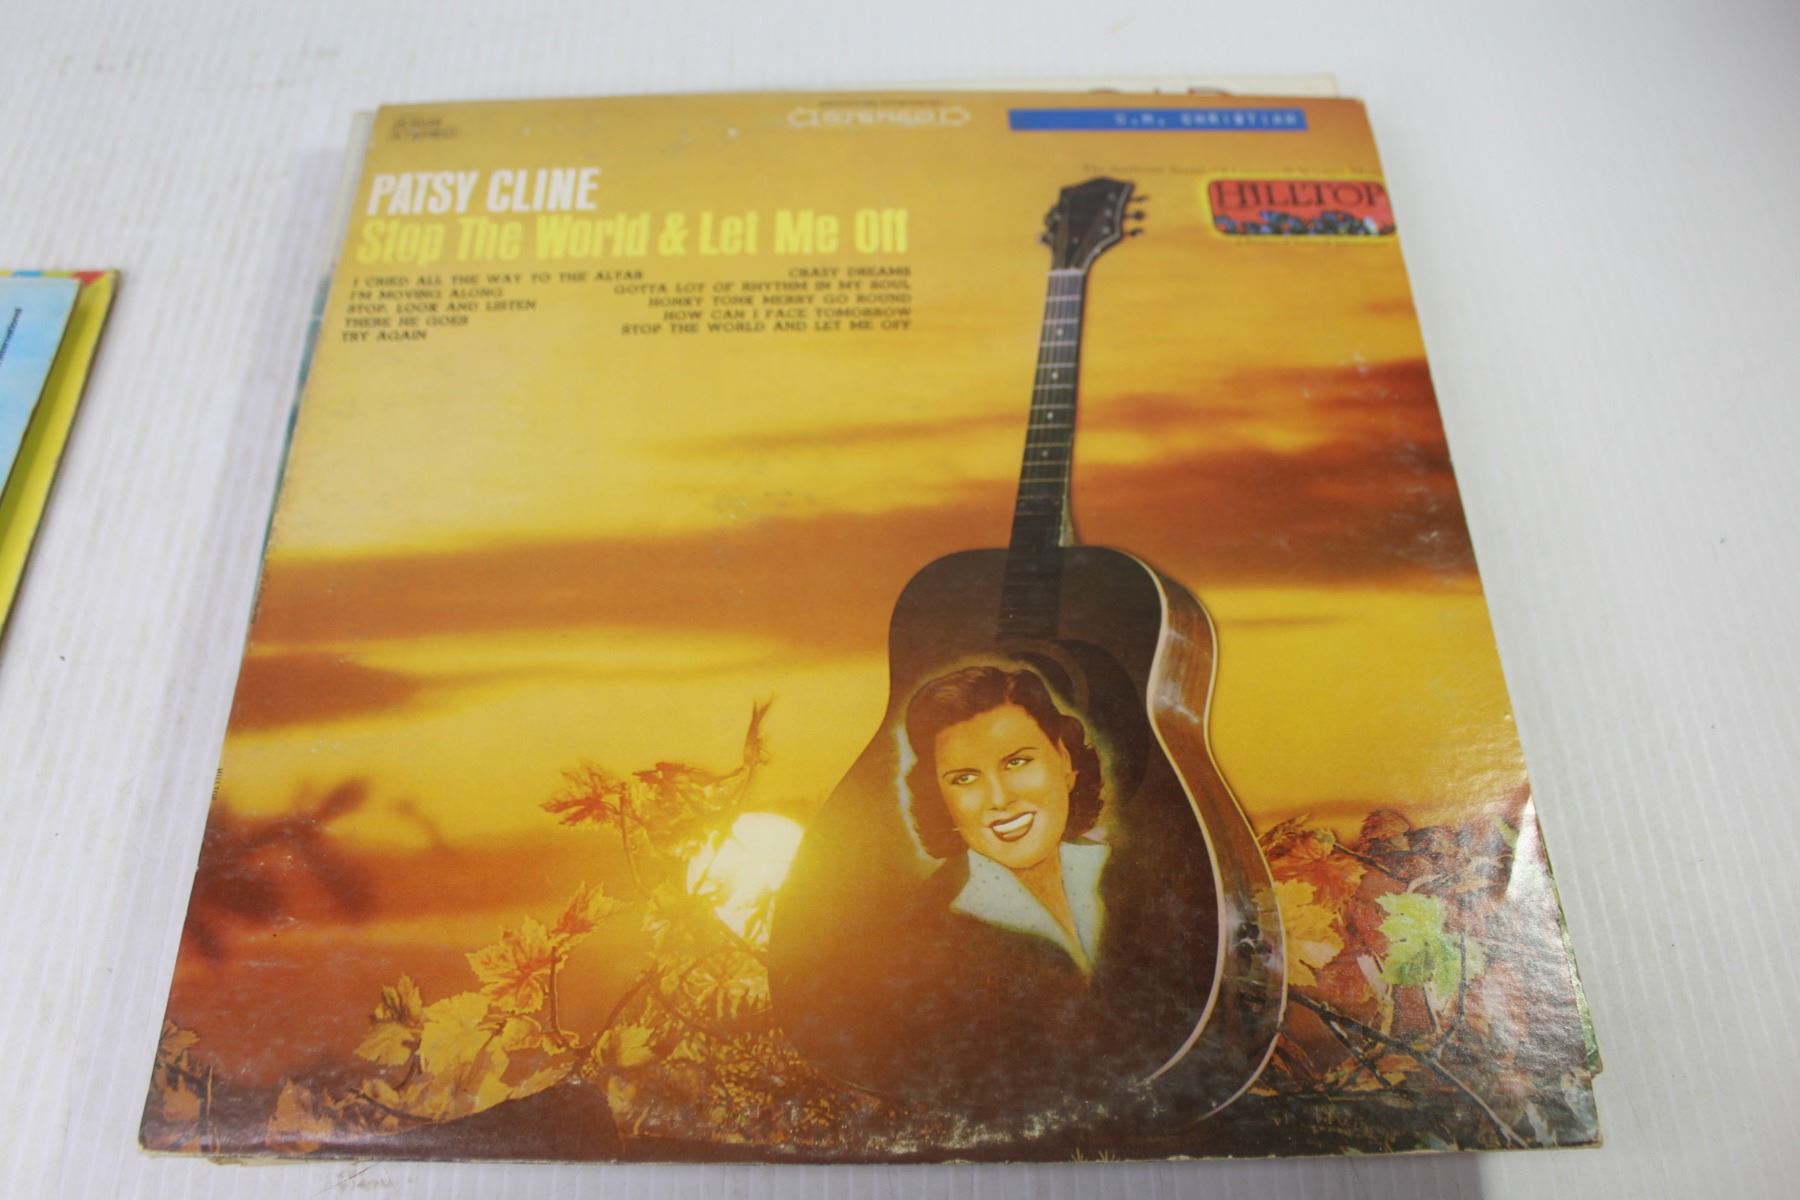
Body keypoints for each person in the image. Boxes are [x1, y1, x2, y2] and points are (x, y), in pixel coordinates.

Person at [903, 664, 1110, 977]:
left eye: (1017, 762)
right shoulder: (922, 927)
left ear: (1064, 760)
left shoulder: (1122, 868)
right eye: (965, 778)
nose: (999, 799)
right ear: (941, 799)